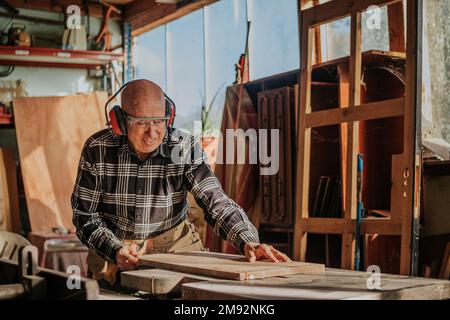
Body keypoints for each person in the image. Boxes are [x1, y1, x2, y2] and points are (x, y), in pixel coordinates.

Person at [71, 79, 290, 286]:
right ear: (119, 121)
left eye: (159, 121)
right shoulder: (97, 149)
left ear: (169, 117)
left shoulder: (182, 147)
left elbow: (216, 202)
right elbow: (85, 215)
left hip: (174, 245)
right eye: (141, 122)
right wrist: (114, 248)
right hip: (113, 248)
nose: (152, 132)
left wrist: (247, 241)